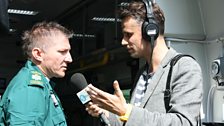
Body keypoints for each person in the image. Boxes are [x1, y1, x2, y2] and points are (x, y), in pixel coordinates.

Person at [85, 0, 203, 126]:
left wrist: (125, 110)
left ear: (150, 31)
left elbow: (184, 122)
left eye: (128, 35)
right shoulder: (142, 73)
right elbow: (134, 121)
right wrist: (109, 113)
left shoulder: (184, 67)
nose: (123, 42)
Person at [0, 21, 73, 125]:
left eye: (69, 52)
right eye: (62, 52)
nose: (70, 59)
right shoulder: (31, 88)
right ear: (38, 54)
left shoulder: (43, 84)